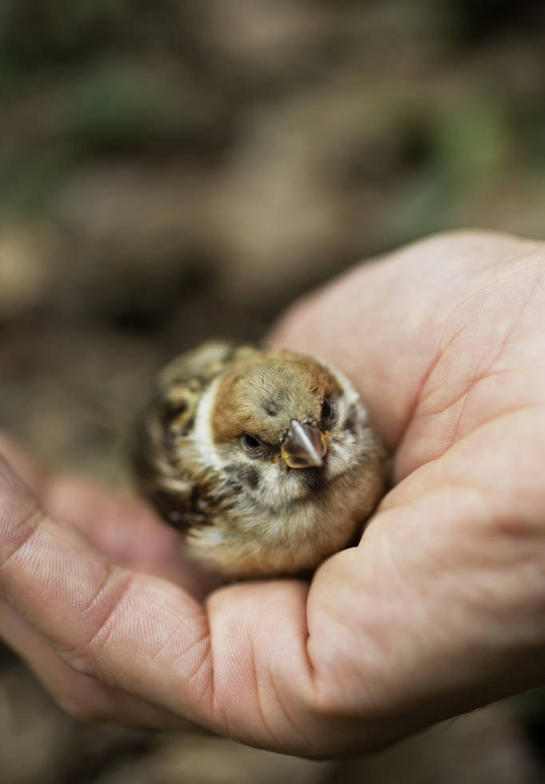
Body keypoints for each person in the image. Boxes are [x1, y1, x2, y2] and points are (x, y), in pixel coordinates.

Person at [1, 230, 544, 757]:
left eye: (324, 420)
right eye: (263, 446)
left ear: (336, 398)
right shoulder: (204, 486)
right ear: (231, 450)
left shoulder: (352, 421)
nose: (313, 451)